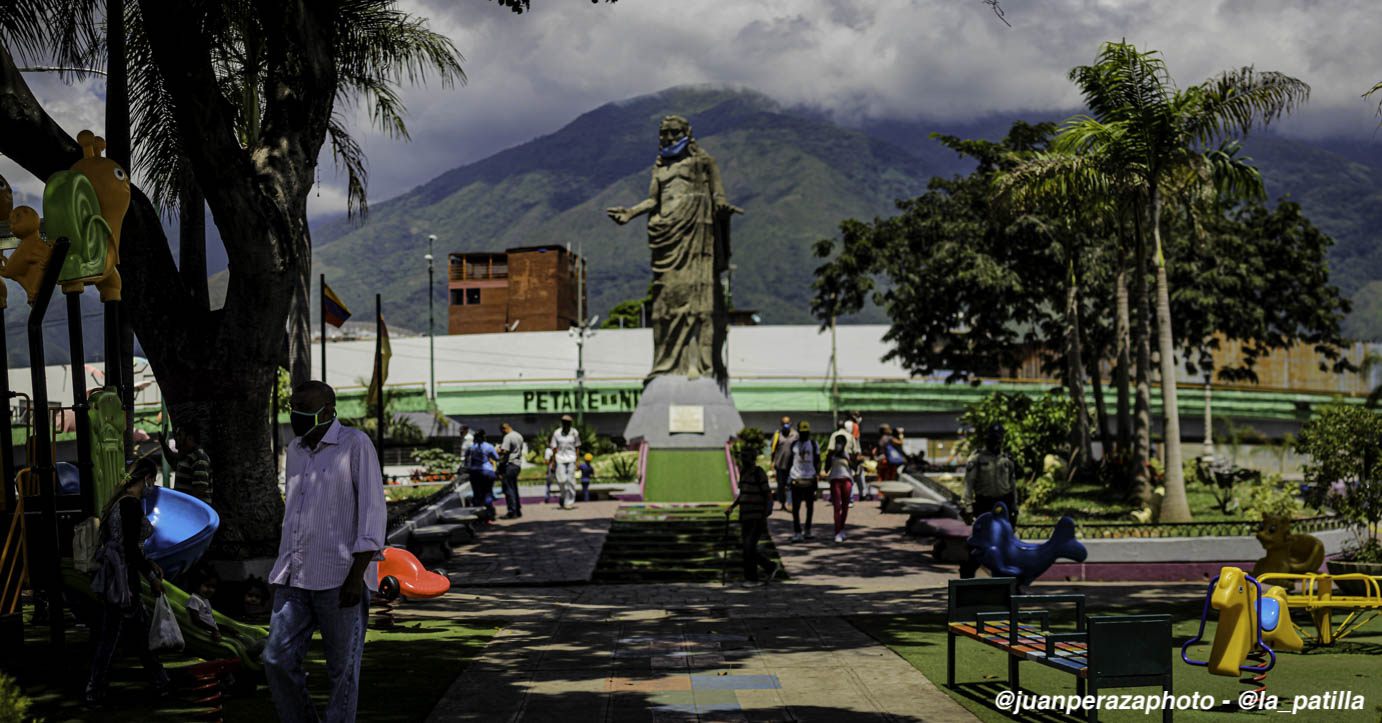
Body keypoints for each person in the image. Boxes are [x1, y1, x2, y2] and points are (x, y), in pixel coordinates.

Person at [265, 381, 386, 723]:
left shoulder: (355, 444)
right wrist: (280, 570)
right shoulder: (296, 450)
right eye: (293, 406)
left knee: (341, 673)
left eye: (305, 406)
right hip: (295, 577)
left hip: (340, 579)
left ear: (329, 410)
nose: (297, 413)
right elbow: (295, 515)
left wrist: (356, 576)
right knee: (276, 659)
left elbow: (372, 513)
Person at [85, 455, 171, 707]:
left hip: (115, 576)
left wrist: (149, 564)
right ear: (145, 479)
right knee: (120, 635)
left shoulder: (117, 502)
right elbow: (131, 550)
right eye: (152, 481)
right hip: (124, 580)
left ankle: (158, 681)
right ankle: (96, 688)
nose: (151, 487)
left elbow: (126, 546)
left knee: (128, 632)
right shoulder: (130, 505)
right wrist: (153, 577)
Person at [959, 423, 1018, 578]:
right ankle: (967, 575)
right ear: (987, 439)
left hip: (1003, 505)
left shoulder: (1007, 459)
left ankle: (1006, 581)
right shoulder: (978, 458)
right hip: (984, 504)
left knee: (1005, 544)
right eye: (993, 439)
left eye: (998, 439)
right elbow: (968, 484)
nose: (996, 442)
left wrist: (1015, 508)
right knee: (982, 543)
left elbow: (1012, 486)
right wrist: (968, 507)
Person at [724, 446, 780, 586]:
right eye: (742, 456)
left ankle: (753, 578)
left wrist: (764, 514)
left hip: (757, 516)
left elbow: (767, 495)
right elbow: (743, 494)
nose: (743, 459)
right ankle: (768, 567)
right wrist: (732, 507)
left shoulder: (758, 472)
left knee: (749, 546)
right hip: (745, 516)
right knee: (747, 547)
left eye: (745, 456)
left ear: (752, 458)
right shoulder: (743, 473)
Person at [158, 423, 212, 502]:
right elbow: (173, 462)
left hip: (195, 512)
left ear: (190, 438)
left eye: (179, 435)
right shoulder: (186, 456)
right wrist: (163, 443)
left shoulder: (199, 458)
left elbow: (200, 489)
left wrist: (183, 505)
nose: (176, 438)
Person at [826, 420, 861, 543]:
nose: (839, 445)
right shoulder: (832, 454)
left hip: (846, 479)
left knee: (845, 506)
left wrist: (846, 458)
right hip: (835, 480)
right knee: (837, 506)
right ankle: (837, 530)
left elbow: (855, 466)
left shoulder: (848, 453)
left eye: (841, 443)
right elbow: (826, 468)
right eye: (838, 443)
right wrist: (832, 456)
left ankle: (842, 528)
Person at [788, 421, 822, 542]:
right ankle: (797, 531)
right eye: (802, 433)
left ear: (809, 433)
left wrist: (816, 475)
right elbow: (789, 462)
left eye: (806, 433)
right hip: (796, 479)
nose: (804, 435)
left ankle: (808, 529)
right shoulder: (793, 445)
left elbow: (818, 460)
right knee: (796, 507)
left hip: (809, 479)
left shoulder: (813, 444)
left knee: (810, 506)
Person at [549, 415, 581, 510]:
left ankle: (569, 502)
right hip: (560, 459)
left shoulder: (574, 433)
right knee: (561, 480)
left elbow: (577, 447)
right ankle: (563, 497)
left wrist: (578, 461)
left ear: (570, 423)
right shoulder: (557, 433)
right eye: (564, 422)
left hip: (571, 459)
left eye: (567, 422)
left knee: (570, 481)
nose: (565, 424)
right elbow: (554, 448)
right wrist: (553, 462)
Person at [467, 429, 499, 522]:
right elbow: (496, 458)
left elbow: (467, 461)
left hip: (475, 472)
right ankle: (489, 516)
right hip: (488, 471)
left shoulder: (471, 447)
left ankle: (478, 517)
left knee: (477, 494)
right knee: (488, 493)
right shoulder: (489, 446)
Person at [498, 423, 525, 519]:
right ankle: (517, 510)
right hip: (517, 465)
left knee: (508, 489)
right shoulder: (519, 435)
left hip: (509, 465)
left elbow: (504, 451)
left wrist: (497, 450)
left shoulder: (508, 437)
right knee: (514, 488)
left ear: (504, 429)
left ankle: (512, 511)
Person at [769, 416, 796, 512]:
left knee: (790, 485)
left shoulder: (795, 435)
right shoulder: (777, 435)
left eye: (788, 423)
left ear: (791, 423)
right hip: (780, 465)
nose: (786, 425)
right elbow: (773, 449)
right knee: (780, 485)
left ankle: (790, 504)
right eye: (784, 423)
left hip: (792, 465)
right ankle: (782, 503)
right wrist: (772, 461)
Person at [845, 411, 870, 501]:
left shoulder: (843, 424)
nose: (859, 418)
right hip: (853, 453)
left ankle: (848, 495)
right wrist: (858, 454)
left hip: (845, 453)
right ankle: (862, 494)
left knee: (848, 474)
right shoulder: (854, 425)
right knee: (859, 474)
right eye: (858, 415)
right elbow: (855, 439)